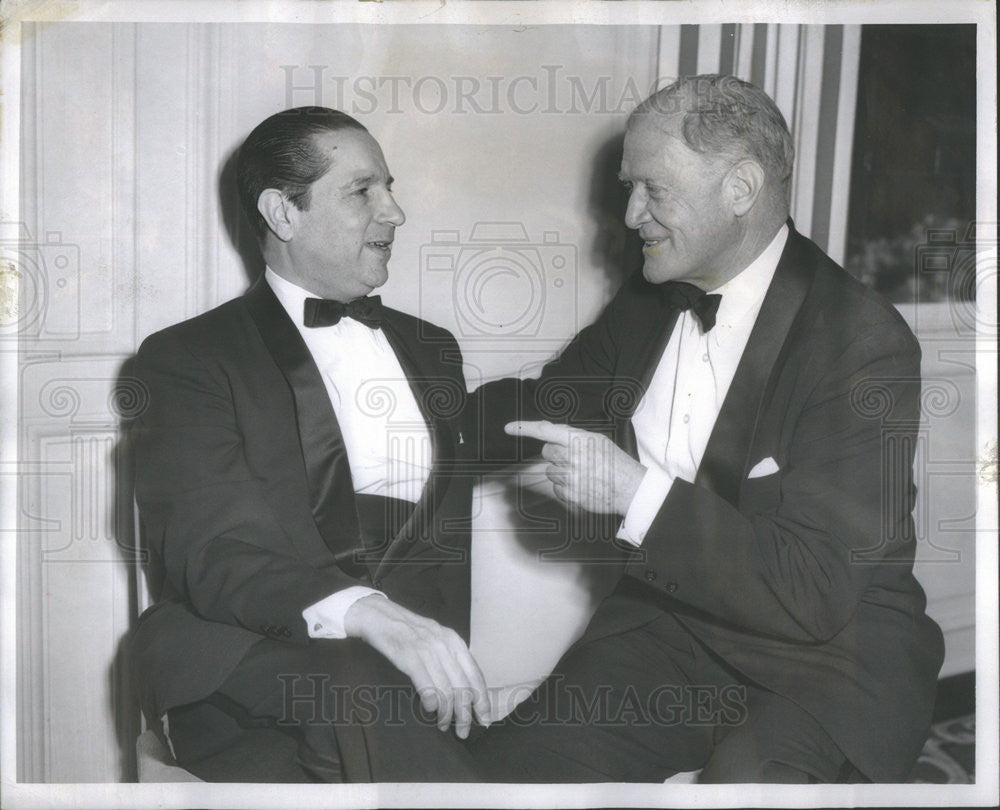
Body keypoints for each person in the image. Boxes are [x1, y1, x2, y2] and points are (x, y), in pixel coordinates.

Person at [467, 74, 944, 783]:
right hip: (668, 632)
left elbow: (811, 590)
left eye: (653, 190)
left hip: (822, 666)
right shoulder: (654, 295)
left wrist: (633, 492)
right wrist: (393, 414)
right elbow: (550, 405)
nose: (630, 216)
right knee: (498, 780)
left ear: (741, 190)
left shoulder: (859, 342)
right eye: (629, 187)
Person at [128, 107, 489, 782]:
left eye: (391, 186)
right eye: (363, 192)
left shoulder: (433, 350)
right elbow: (214, 552)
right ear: (283, 213)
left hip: (397, 689)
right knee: (353, 697)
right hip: (241, 664)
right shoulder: (186, 359)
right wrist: (369, 615)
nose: (396, 213)